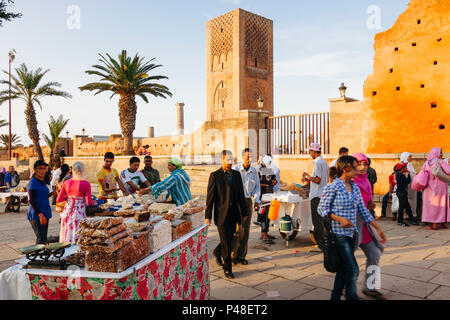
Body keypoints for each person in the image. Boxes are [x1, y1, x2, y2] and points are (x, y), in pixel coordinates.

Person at [318, 155, 386, 300]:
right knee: (353, 268)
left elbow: (363, 210)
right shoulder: (333, 187)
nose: (358, 170)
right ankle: (351, 296)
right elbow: (321, 209)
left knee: (343, 269)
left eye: (362, 165)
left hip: (352, 233)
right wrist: (339, 219)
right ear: (346, 169)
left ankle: (335, 297)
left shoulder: (355, 187)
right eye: (355, 167)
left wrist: (377, 227)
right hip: (338, 234)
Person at [205, 150, 249, 279]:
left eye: (231, 160)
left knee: (229, 239)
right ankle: (227, 268)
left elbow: (241, 195)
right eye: (227, 160)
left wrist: (244, 212)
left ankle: (217, 252)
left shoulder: (236, 175)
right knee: (227, 243)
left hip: (234, 213)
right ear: (222, 160)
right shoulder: (215, 176)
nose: (229, 162)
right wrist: (208, 216)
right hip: (221, 214)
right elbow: (210, 198)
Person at [352, 153, 386, 300]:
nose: (362, 167)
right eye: (359, 164)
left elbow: (366, 203)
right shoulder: (349, 183)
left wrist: (370, 204)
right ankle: (346, 288)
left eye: (365, 164)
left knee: (374, 254)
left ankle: (371, 288)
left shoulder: (366, 182)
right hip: (351, 225)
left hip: (365, 224)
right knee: (348, 260)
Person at [232, 148, 261, 265]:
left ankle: (241, 256)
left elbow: (257, 188)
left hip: (248, 201)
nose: (249, 159)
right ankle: (232, 255)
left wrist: (257, 201)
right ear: (243, 156)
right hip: (237, 202)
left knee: (246, 231)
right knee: (237, 229)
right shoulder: (236, 169)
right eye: (247, 156)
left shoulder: (254, 171)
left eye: (251, 157)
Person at [56, 162, 94, 244]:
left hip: (67, 212)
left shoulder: (66, 183)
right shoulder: (86, 184)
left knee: (66, 234)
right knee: (78, 236)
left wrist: (69, 198)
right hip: (79, 214)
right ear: (83, 171)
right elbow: (89, 202)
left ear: (72, 171)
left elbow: (58, 199)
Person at [303, 143, 329, 251]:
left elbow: (318, 180)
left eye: (310, 152)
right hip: (322, 194)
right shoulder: (324, 162)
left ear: (314, 152)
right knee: (323, 220)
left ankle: (321, 245)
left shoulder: (317, 162)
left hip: (317, 196)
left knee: (317, 221)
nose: (310, 154)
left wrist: (307, 177)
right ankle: (326, 242)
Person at [421, 148, 450, 230]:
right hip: (440, 186)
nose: (442, 154)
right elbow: (448, 171)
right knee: (442, 204)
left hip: (429, 187)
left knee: (431, 206)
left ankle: (434, 224)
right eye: (440, 153)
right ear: (436, 153)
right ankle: (442, 223)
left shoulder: (426, 163)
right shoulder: (440, 161)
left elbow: (422, 172)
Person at [27, 160, 54, 244]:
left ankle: (42, 255)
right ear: (35, 170)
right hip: (36, 214)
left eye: (44, 168)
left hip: (45, 212)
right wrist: (40, 214)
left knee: (43, 238)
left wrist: (52, 193)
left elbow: (42, 196)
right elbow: (31, 200)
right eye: (40, 168)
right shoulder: (33, 183)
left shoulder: (42, 182)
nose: (42, 171)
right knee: (41, 239)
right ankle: (38, 255)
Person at [257, 155, 278, 244]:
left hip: (270, 194)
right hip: (262, 195)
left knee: (268, 214)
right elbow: (256, 183)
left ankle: (264, 233)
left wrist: (274, 181)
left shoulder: (268, 168)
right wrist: (265, 185)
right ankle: (264, 234)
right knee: (263, 215)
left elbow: (273, 179)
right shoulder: (258, 170)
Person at [400, 152, 418, 221]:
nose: (411, 158)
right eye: (409, 156)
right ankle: (405, 216)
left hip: (412, 186)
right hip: (407, 186)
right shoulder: (403, 166)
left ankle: (412, 215)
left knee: (413, 201)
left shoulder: (410, 165)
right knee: (406, 201)